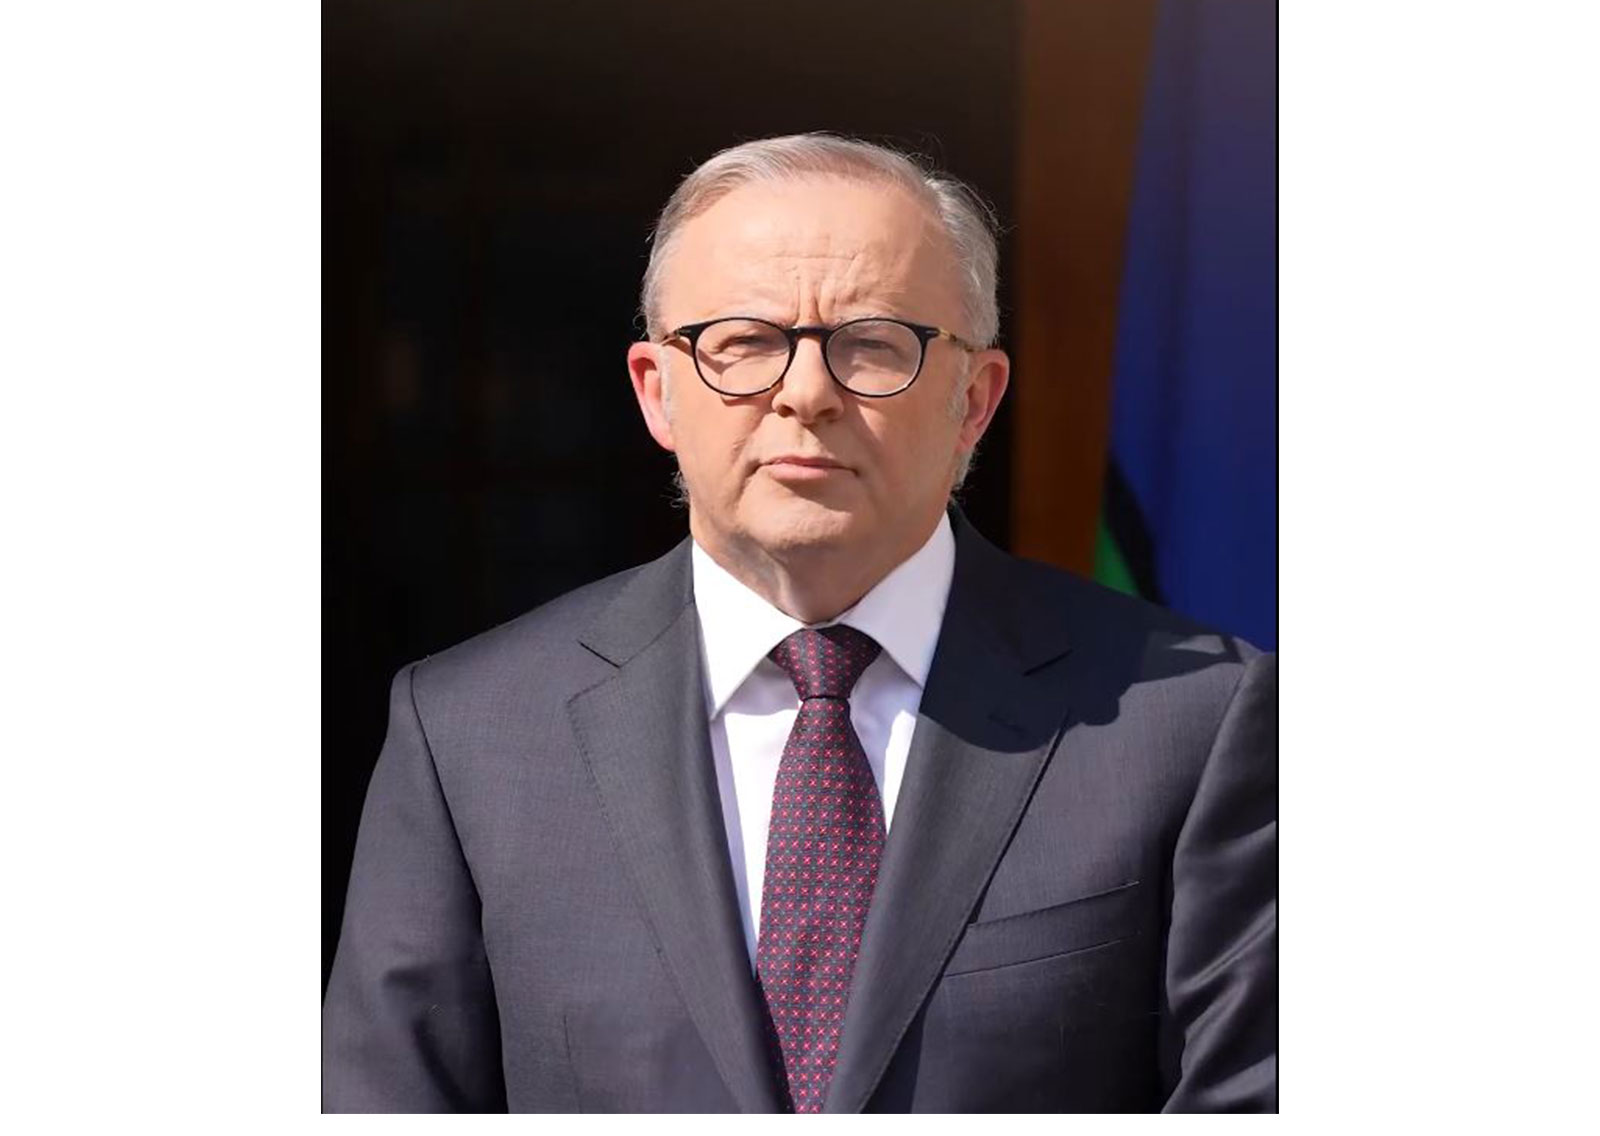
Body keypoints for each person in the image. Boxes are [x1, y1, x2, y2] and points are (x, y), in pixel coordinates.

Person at [322, 133, 1277, 1113]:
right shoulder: (471, 734)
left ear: (974, 400)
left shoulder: (1190, 722)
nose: (807, 393)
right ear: (657, 391)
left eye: (874, 343)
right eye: (743, 342)